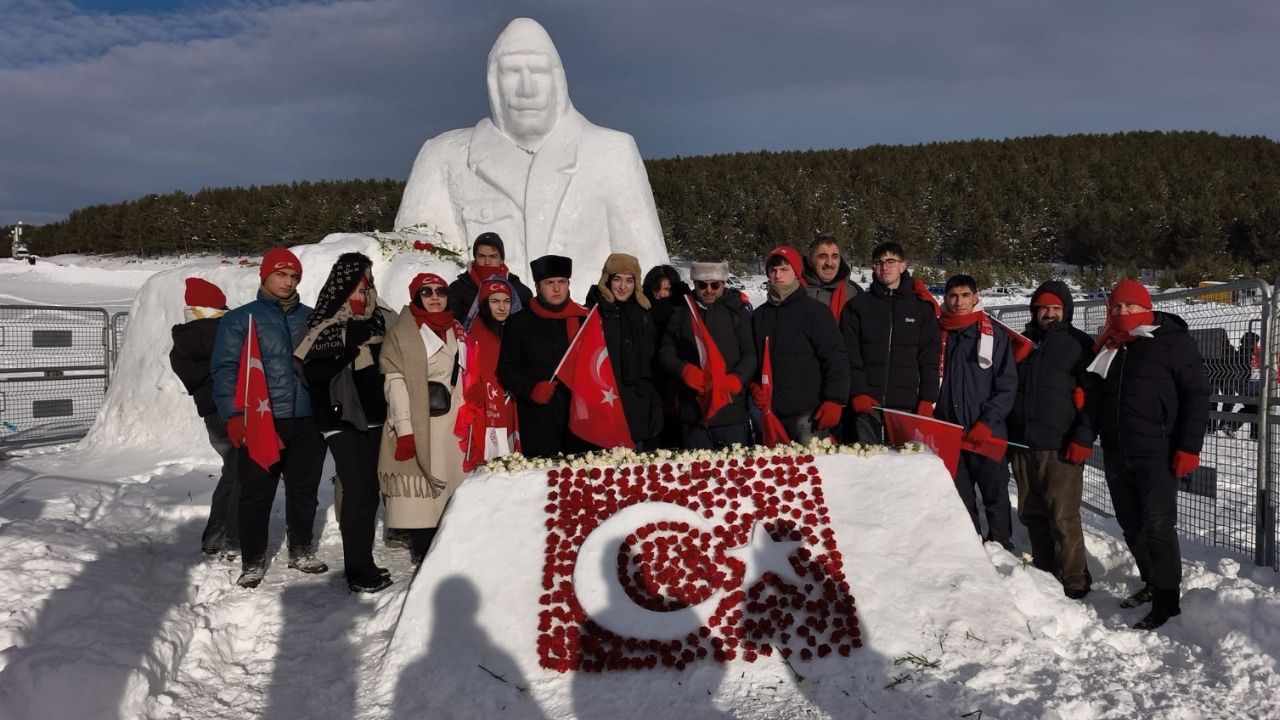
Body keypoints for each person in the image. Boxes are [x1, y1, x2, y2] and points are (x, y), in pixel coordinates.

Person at [394, 18, 669, 299]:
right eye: (513, 72)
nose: (526, 89)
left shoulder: (613, 152)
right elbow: (408, 262)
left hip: (587, 332)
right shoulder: (443, 155)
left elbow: (651, 271)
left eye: (537, 72)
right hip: (490, 332)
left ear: (558, 78)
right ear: (493, 81)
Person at [1088, 279, 1209, 630]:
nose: (1123, 313)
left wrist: (1189, 446)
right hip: (1117, 450)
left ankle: (1168, 601)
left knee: (1158, 526)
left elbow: (1197, 397)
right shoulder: (1109, 345)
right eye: (1117, 308)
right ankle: (1152, 581)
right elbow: (1098, 393)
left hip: (1157, 452)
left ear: (1147, 308)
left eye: (1130, 307)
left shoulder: (1172, 343)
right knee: (1131, 525)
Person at [211, 248, 328, 588]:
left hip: (306, 419)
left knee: (304, 490)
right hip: (261, 420)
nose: (288, 282)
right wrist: (233, 416)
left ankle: (301, 550)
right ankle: (253, 560)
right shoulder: (240, 320)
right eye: (281, 274)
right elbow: (226, 370)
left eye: (294, 277)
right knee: (256, 493)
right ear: (264, 276)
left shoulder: (311, 318)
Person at [295, 253, 395, 593]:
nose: (363, 296)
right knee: (359, 491)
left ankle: (362, 562)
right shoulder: (323, 324)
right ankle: (357, 569)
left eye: (367, 288)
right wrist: (348, 348)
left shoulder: (378, 322)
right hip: (340, 419)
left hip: (375, 418)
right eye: (356, 288)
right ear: (341, 290)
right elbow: (311, 373)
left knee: (370, 492)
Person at [1006, 280, 1097, 598]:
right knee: (1032, 513)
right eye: (1043, 307)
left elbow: (1094, 395)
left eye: (1056, 308)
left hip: (1060, 445)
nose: (1049, 313)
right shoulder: (1022, 342)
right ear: (1034, 310)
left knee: (1063, 515)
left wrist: (1084, 436)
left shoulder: (1079, 344)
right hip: (1021, 444)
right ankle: (1046, 572)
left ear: (1066, 311)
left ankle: (1075, 578)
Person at [377, 273, 468, 564]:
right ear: (416, 296)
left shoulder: (455, 327)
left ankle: (448, 543)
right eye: (426, 292)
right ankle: (422, 548)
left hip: (452, 421)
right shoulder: (403, 332)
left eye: (440, 291)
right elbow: (395, 383)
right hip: (420, 421)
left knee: (450, 487)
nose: (434, 297)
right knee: (422, 494)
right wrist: (404, 430)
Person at [935, 274, 1018, 549]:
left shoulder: (993, 335)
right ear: (945, 298)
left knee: (995, 497)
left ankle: (1002, 548)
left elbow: (1006, 386)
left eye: (965, 295)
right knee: (961, 498)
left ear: (976, 297)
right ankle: (971, 550)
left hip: (986, 433)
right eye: (953, 296)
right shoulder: (938, 333)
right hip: (950, 433)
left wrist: (988, 421)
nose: (959, 302)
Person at [841, 241, 941, 445]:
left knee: (904, 470)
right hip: (868, 405)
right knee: (868, 466)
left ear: (903, 265)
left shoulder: (921, 309)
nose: (884, 267)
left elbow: (929, 358)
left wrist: (927, 399)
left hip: (907, 406)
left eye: (890, 261)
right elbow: (849, 355)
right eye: (878, 262)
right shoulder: (858, 306)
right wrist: (858, 391)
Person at [169, 277, 239, 560]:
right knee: (239, 472)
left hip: (210, 413)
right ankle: (229, 535)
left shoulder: (183, 338)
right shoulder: (221, 330)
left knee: (232, 470)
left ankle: (216, 536)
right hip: (232, 409)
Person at [750, 246, 848, 444]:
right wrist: (753, 386)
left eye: (784, 269)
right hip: (770, 412)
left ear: (796, 272)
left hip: (808, 413)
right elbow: (754, 358)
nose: (778, 275)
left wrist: (834, 400)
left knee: (813, 471)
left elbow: (835, 358)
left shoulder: (815, 312)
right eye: (773, 270)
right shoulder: (760, 315)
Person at [497, 254, 591, 457]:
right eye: (549, 283)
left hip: (580, 415)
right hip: (537, 417)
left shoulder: (585, 319)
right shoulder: (519, 322)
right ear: (538, 286)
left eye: (561, 282)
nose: (556, 289)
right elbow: (506, 368)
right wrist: (530, 389)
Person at [659, 259, 756, 449]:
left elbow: (751, 353)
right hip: (693, 411)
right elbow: (666, 352)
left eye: (715, 284)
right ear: (694, 284)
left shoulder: (737, 311)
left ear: (723, 283)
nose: (708, 290)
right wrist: (683, 370)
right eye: (702, 285)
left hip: (730, 410)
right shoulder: (681, 313)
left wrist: (737, 378)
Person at [585, 254, 662, 448]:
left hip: (637, 404)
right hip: (603, 401)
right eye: (617, 279)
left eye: (629, 280)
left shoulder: (643, 314)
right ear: (607, 280)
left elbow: (652, 363)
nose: (622, 287)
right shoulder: (593, 312)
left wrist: (655, 404)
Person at [458, 277, 521, 472]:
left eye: (506, 301)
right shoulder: (473, 335)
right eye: (495, 301)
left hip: (514, 406)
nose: (502, 307)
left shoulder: (517, 330)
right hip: (485, 409)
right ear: (485, 304)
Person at [643, 264, 691, 449]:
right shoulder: (642, 315)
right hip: (651, 386)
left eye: (668, 289)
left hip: (679, 387)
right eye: (658, 289)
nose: (663, 294)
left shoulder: (684, 315)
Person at [447, 232, 533, 327]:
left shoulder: (518, 289)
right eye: (482, 256)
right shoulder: (457, 289)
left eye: (493, 256)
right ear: (475, 258)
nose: (487, 262)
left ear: (501, 260)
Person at [802, 233, 862, 322]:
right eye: (822, 256)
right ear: (809, 260)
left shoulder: (854, 293)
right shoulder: (795, 289)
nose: (829, 263)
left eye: (835, 256)